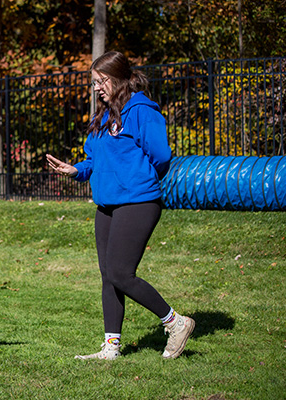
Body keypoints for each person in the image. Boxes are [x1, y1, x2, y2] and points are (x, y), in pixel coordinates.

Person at [47, 51, 194, 360]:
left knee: (120, 273)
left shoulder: (142, 110)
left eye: (102, 81)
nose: (97, 87)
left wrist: (137, 178)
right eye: (95, 82)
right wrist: (76, 170)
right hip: (107, 204)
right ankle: (111, 348)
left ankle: (176, 323)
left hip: (138, 202)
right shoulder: (103, 116)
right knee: (108, 276)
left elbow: (162, 156)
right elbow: (94, 159)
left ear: (119, 78)